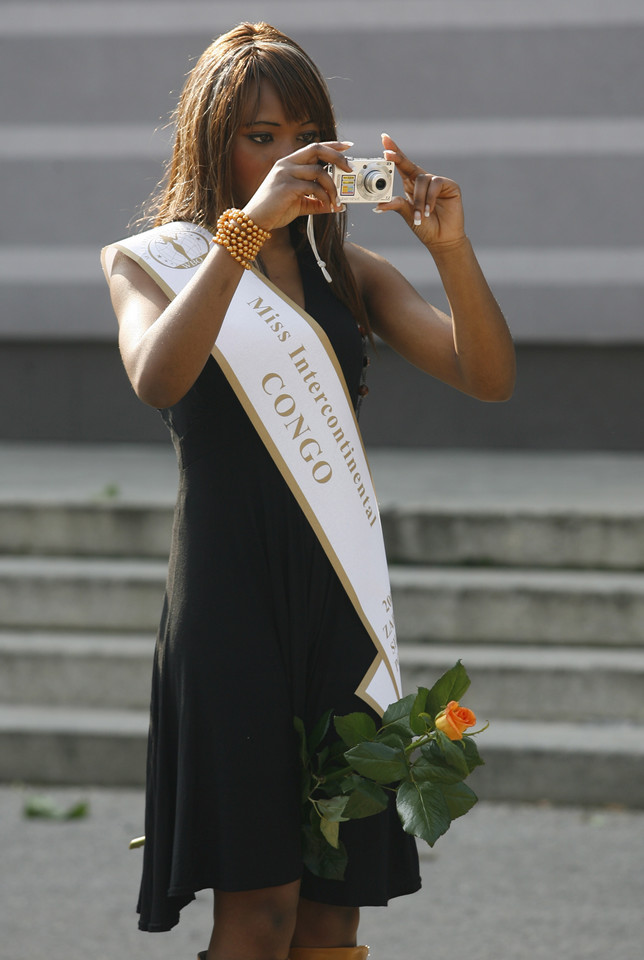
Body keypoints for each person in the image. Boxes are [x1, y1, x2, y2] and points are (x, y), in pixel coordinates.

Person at [102, 21, 515, 960]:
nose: (286, 155)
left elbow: (487, 377)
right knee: (262, 906)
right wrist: (244, 236)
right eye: (259, 135)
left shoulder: (346, 270)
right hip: (227, 601)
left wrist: (447, 246)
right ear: (214, 143)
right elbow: (160, 379)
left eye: (302, 134)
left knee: (334, 907)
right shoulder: (150, 264)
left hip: (338, 598)